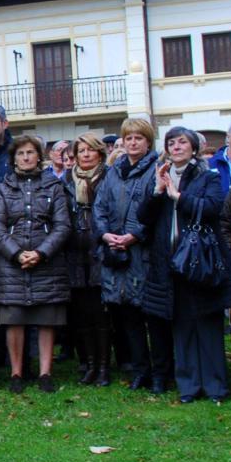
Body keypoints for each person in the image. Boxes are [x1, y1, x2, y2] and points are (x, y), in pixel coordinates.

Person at [139, 126, 231, 404]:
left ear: (194, 148)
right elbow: (143, 217)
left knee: (208, 325)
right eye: (171, 143)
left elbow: (212, 208)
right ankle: (189, 386)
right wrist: (158, 192)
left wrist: (179, 197)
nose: (176, 147)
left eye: (182, 142)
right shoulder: (159, 176)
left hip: (201, 262)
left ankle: (215, 385)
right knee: (181, 327)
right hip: (169, 264)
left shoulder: (208, 176)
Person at [0, 135, 71, 393]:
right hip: (11, 263)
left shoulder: (54, 186)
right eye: (20, 153)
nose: (25, 158)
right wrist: (16, 253)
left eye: (30, 153)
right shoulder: (4, 188)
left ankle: (45, 373)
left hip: (46, 261)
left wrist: (41, 252)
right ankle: (16, 373)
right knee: (15, 318)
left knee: (46, 317)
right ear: (14, 158)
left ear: (39, 156)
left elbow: (62, 225)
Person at [93, 118, 169, 392]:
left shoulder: (157, 170)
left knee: (153, 316)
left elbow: (156, 210)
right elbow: (99, 207)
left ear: (148, 141)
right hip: (117, 254)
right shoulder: (113, 172)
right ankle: (140, 370)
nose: (132, 143)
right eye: (128, 138)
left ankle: (161, 372)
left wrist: (135, 235)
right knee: (128, 318)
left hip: (146, 253)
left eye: (138, 138)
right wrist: (105, 234)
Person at [63, 133, 110, 385]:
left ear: (99, 153)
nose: (86, 155)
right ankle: (89, 364)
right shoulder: (66, 181)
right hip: (74, 252)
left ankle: (103, 366)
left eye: (90, 150)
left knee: (100, 314)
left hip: (100, 250)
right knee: (80, 313)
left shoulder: (109, 177)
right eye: (81, 151)